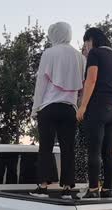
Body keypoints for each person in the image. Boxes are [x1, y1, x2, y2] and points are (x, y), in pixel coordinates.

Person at [30, 22, 85, 199]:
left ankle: (43, 186)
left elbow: (41, 83)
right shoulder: (80, 57)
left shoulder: (49, 53)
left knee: (45, 147)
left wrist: (35, 107)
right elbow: (82, 86)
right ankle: (68, 187)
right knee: (68, 148)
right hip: (70, 108)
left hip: (48, 107)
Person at [77, 27, 112, 199]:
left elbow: (91, 80)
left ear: (92, 39)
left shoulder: (95, 54)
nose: (86, 46)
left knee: (94, 150)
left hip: (97, 108)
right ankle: (107, 189)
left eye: (86, 42)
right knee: (108, 152)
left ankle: (92, 189)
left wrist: (82, 106)